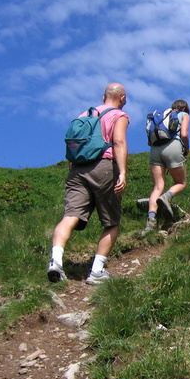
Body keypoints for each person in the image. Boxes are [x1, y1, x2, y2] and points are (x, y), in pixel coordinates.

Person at [47, 83, 130, 285]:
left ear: (103, 98)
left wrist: (73, 170)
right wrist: (122, 172)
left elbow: (75, 145)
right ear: (122, 98)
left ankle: (56, 261)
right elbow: (118, 142)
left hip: (77, 168)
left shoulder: (85, 115)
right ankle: (97, 272)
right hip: (103, 166)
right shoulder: (119, 115)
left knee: (70, 216)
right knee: (112, 222)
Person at [142, 100, 190, 234]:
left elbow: (149, 141)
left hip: (155, 150)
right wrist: (186, 149)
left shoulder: (159, 116)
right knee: (181, 183)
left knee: (157, 187)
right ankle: (167, 197)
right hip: (173, 146)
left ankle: (151, 221)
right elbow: (184, 134)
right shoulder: (183, 115)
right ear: (185, 108)